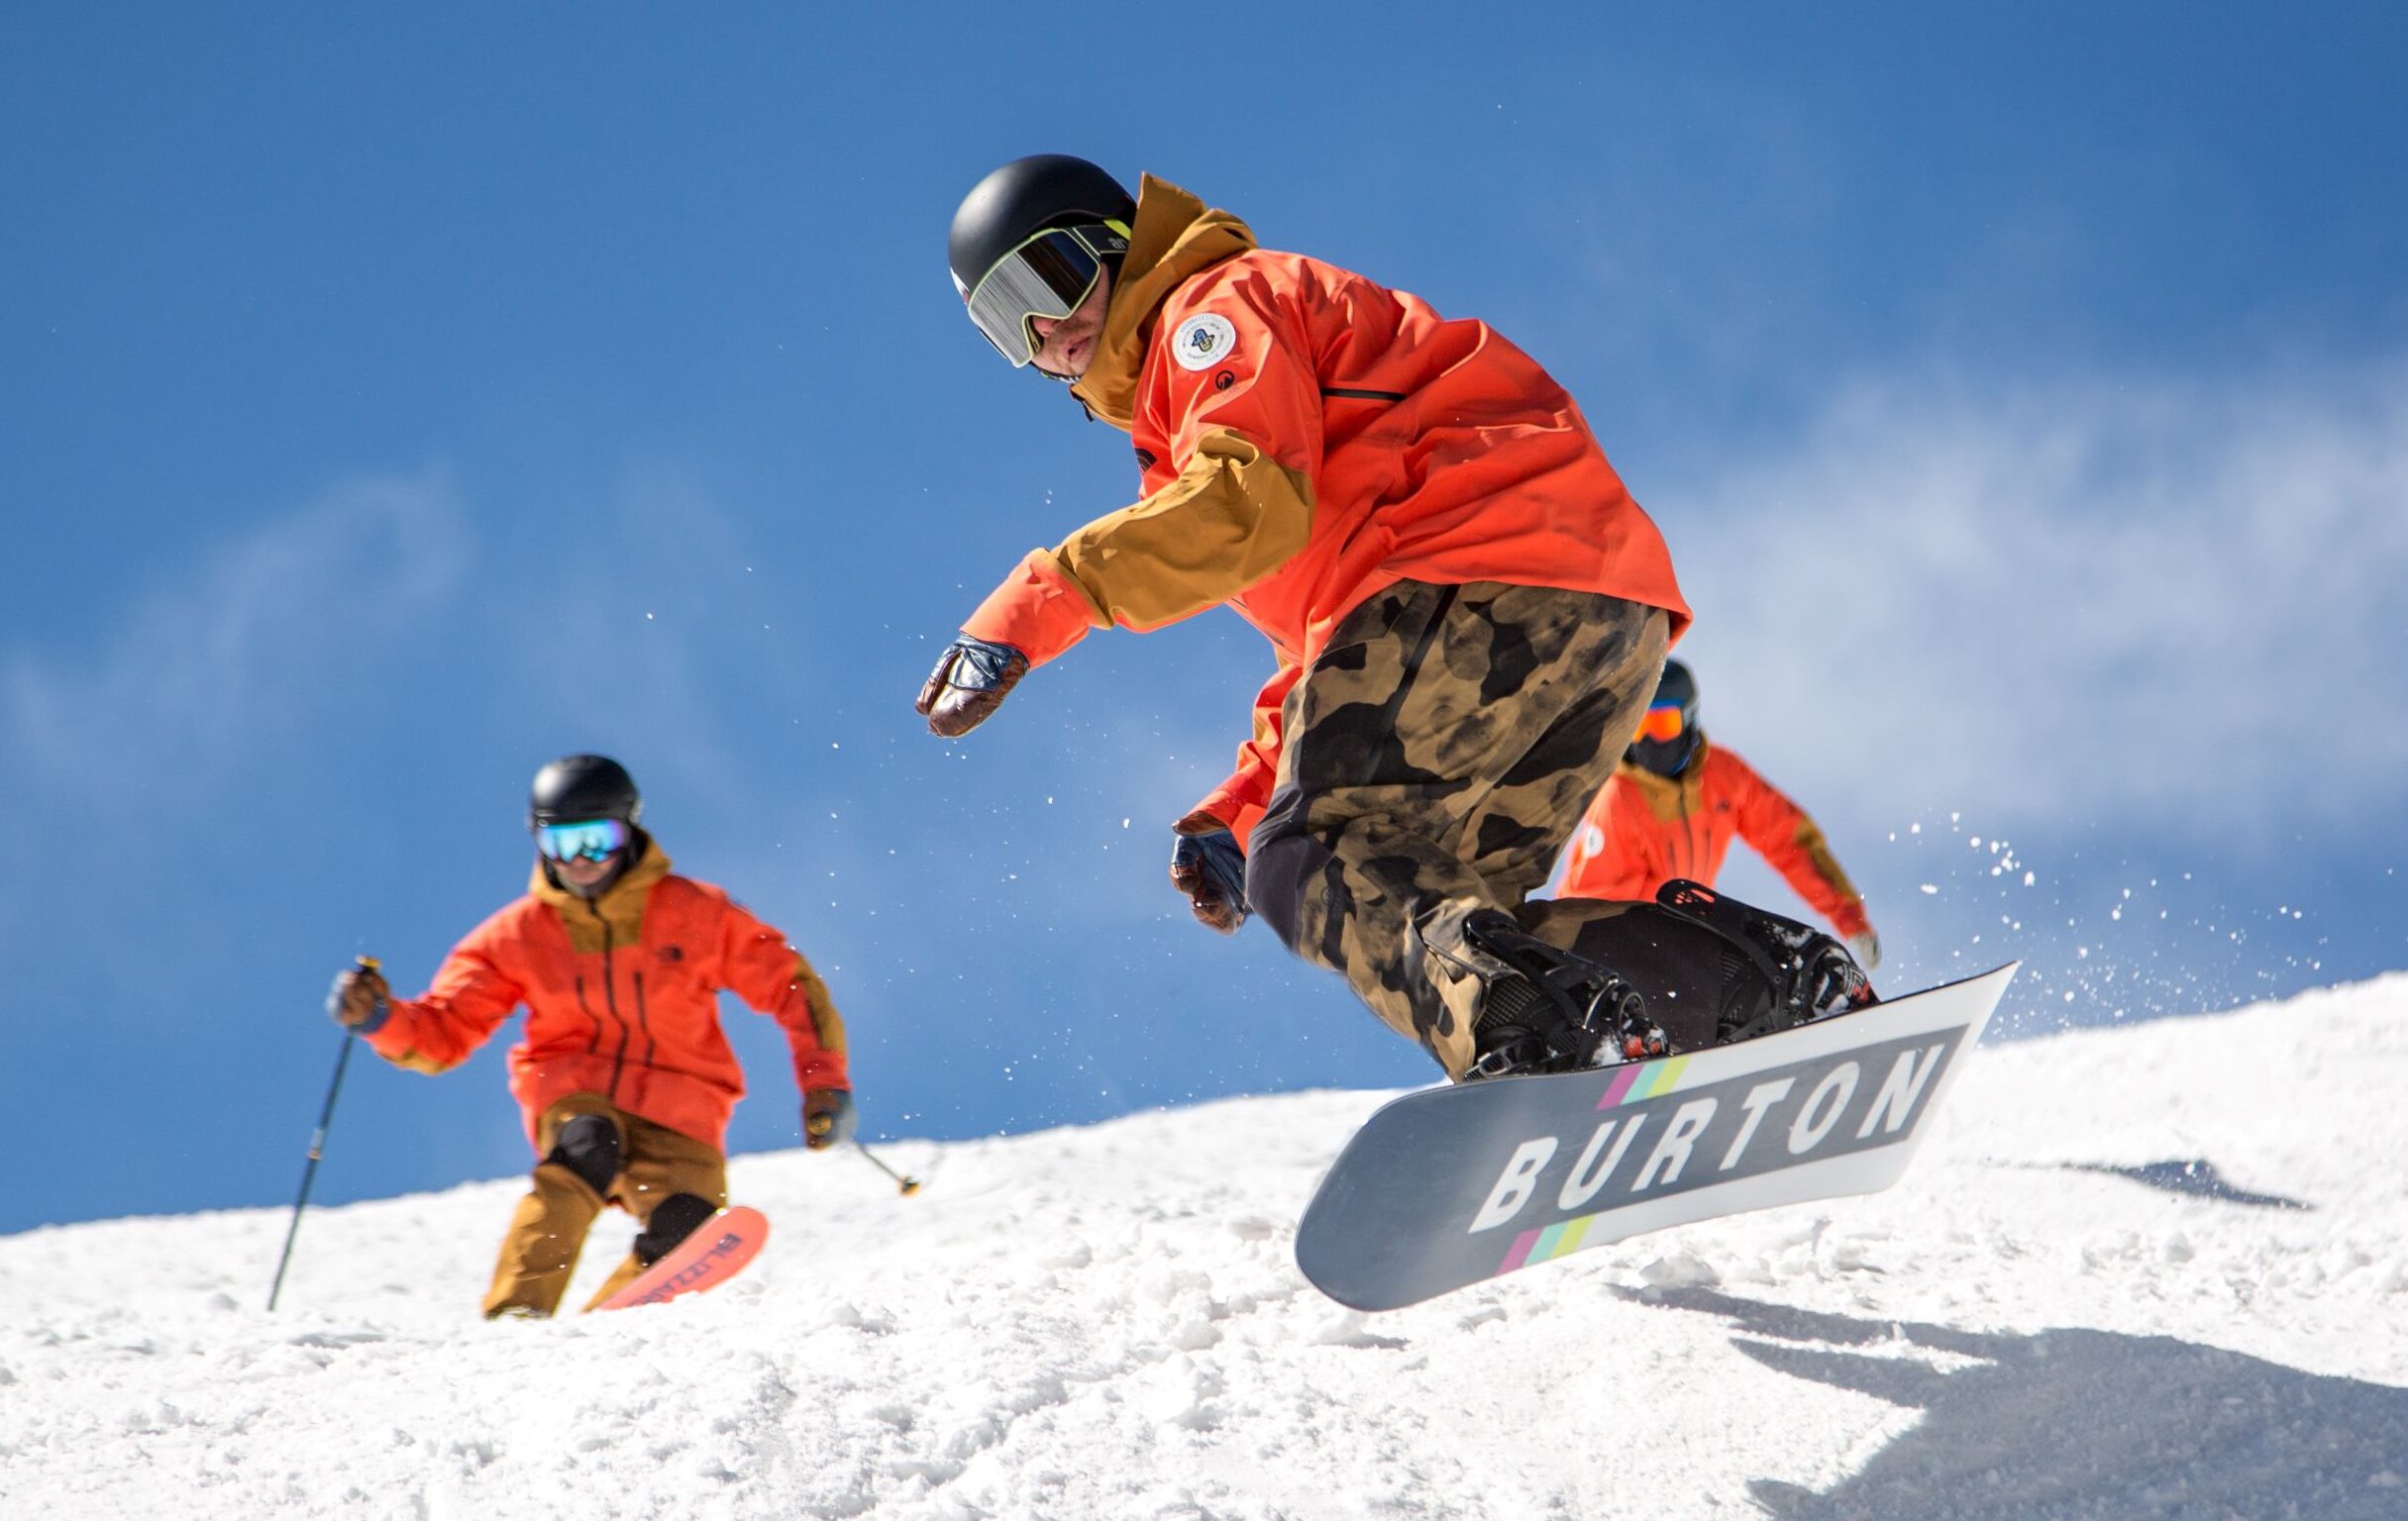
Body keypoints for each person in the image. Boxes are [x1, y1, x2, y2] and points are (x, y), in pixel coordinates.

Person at [917, 154, 1870, 1078]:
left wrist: (1041, 600)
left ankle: (1544, 1040)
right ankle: (1759, 991)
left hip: (1477, 582)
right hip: (1591, 618)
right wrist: (1242, 811)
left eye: (1047, 277)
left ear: (1119, 246)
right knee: (1435, 904)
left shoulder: (1214, 311)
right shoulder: (1187, 426)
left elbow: (1249, 504)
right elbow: (1330, 647)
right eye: (1009, 325)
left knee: (1318, 858)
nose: (1046, 327)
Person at [326, 755, 854, 1318]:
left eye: (596, 840)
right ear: (538, 843)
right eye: (562, 844)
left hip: (684, 1103)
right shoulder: (519, 936)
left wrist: (824, 1083)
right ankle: (518, 1311)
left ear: (629, 831)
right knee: (586, 1145)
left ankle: (609, 1324)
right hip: (576, 1086)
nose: (579, 861)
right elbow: (445, 1032)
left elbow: (791, 986)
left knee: (690, 1222)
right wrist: (380, 1019)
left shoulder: (694, 914)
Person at [1558, 659, 1884, 970]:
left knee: (1751, 957)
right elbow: (1598, 906)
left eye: (1661, 724)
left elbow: (1788, 839)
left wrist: (1847, 916)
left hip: (1682, 934)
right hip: (1609, 948)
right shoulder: (1619, 800)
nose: (1647, 740)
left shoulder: (1723, 777)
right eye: (1638, 725)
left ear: (1689, 719)